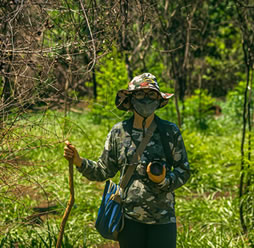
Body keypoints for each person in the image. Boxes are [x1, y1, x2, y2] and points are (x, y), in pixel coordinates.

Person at [64, 73, 190, 248]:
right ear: (130, 100)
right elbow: (103, 171)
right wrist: (79, 161)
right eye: (140, 94)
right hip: (129, 219)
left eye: (151, 94)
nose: (146, 99)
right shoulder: (119, 132)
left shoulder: (169, 131)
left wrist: (164, 181)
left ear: (158, 100)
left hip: (163, 219)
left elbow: (184, 170)